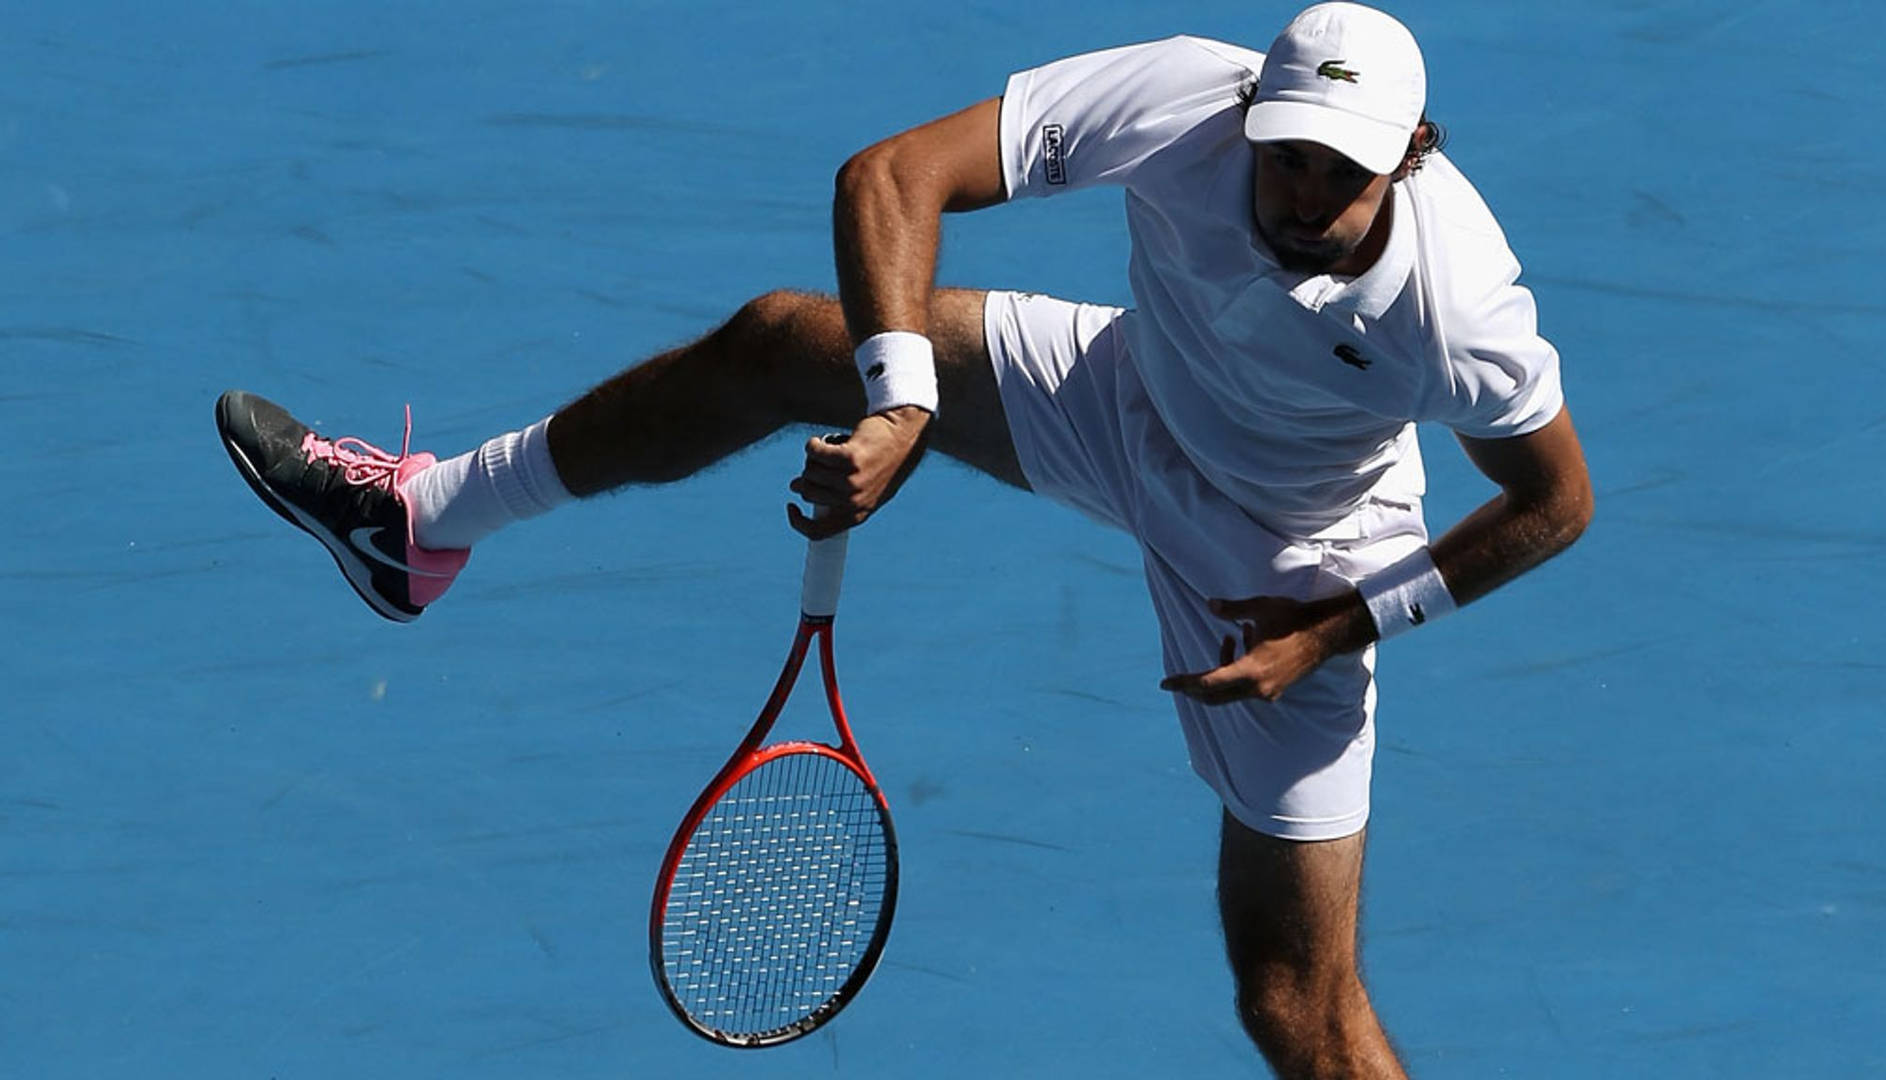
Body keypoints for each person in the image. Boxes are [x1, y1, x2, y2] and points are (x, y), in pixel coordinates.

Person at [215, 3, 1592, 1075]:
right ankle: (419, 524)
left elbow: (1553, 504)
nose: (1294, 189)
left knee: (1296, 1007)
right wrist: (901, 399)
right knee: (776, 345)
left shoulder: (1460, 311)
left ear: (1412, 154)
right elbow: (894, 174)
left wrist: (1341, 627)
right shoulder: (1189, 99)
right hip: (1126, 394)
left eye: (1337, 171)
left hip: (1291, 555)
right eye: (1283, 148)